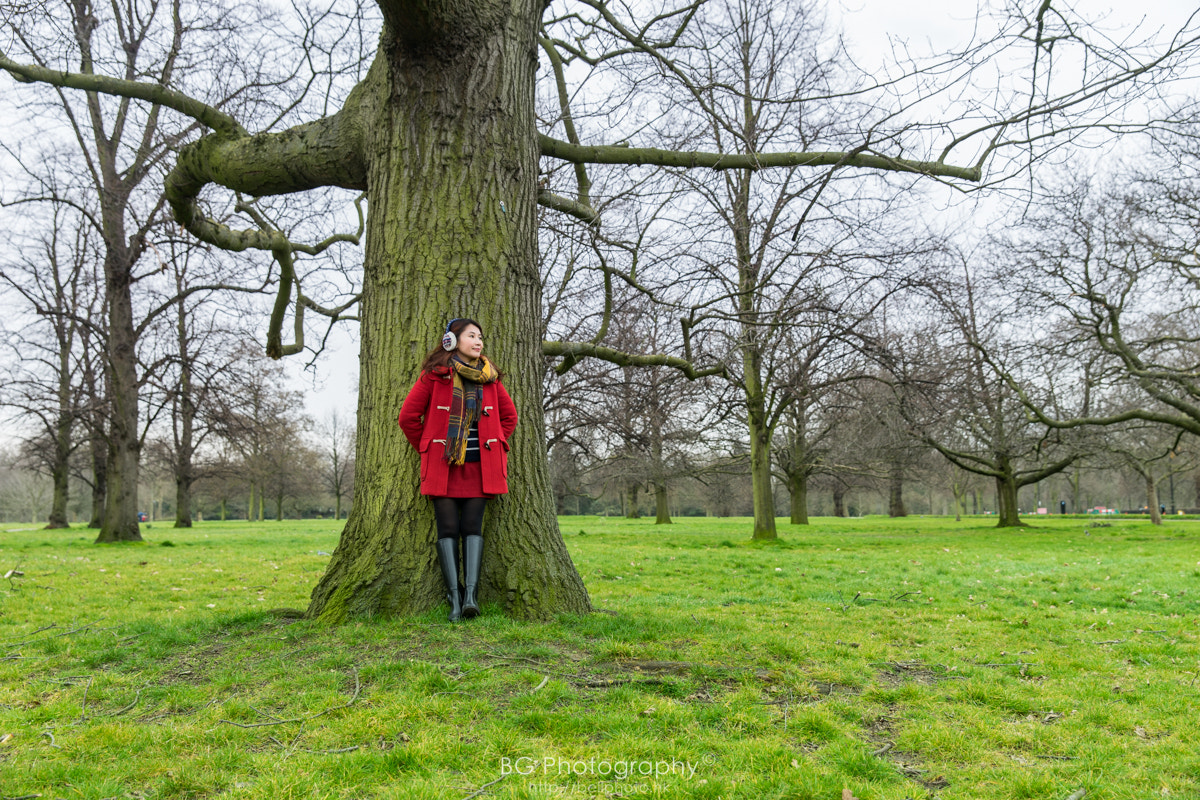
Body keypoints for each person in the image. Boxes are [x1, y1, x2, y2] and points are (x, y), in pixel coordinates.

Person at [398, 318, 518, 622]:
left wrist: (496, 445)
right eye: (471, 336)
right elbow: (408, 418)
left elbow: (509, 417)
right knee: (448, 530)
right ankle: (453, 598)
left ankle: (470, 597)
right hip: (444, 468)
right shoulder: (434, 377)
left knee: (472, 530)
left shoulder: (490, 377)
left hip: (481, 469)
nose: (478, 342)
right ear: (452, 341)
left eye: (480, 336)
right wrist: (428, 449)